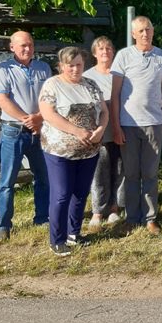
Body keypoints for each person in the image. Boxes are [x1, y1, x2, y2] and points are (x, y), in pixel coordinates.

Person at [38, 47, 108, 256]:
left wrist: (100, 129)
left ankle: (73, 234)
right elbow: (48, 114)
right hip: (59, 152)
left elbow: (104, 111)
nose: (76, 69)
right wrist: (77, 131)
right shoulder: (52, 85)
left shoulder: (91, 85)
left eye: (79, 65)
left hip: (89, 152)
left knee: (80, 193)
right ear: (61, 66)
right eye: (71, 66)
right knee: (61, 194)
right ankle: (57, 240)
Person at [110, 16, 162, 235]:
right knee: (131, 174)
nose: (145, 34)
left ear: (153, 31)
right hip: (128, 124)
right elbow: (115, 95)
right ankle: (132, 217)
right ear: (133, 34)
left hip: (154, 123)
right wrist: (116, 126)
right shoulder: (123, 56)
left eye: (148, 29)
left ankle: (150, 218)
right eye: (141, 31)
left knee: (150, 173)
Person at [0, 31, 51, 241]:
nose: (28, 49)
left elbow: (50, 98)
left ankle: (42, 218)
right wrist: (28, 119)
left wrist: (39, 118)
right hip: (13, 131)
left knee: (44, 177)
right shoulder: (3, 69)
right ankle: (3, 225)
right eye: (23, 45)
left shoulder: (43, 68)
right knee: (7, 181)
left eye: (30, 45)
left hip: (39, 131)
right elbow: (2, 100)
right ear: (12, 47)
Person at [83, 37, 124, 230]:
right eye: (101, 49)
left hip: (120, 128)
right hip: (99, 131)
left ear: (113, 51)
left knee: (119, 169)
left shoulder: (120, 74)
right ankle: (98, 211)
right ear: (94, 53)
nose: (105, 51)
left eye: (108, 48)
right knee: (100, 172)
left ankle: (115, 208)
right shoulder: (87, 77)